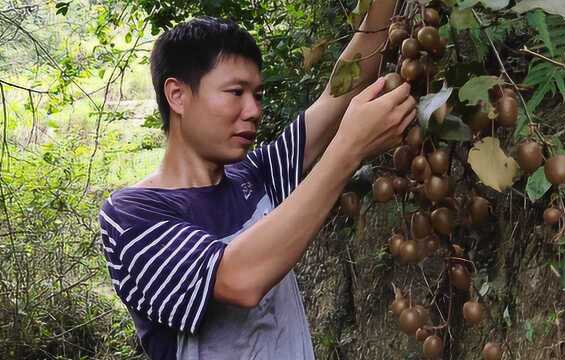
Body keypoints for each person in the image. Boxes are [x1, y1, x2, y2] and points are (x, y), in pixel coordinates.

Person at [98, 2, 415, 359]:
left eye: (258, 95)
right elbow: (238, 279)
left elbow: (341, 91)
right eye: (236, 92)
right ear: (178, 96)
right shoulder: (131, 213)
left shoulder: (256, 174)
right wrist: (348, 149)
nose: (254, 111)